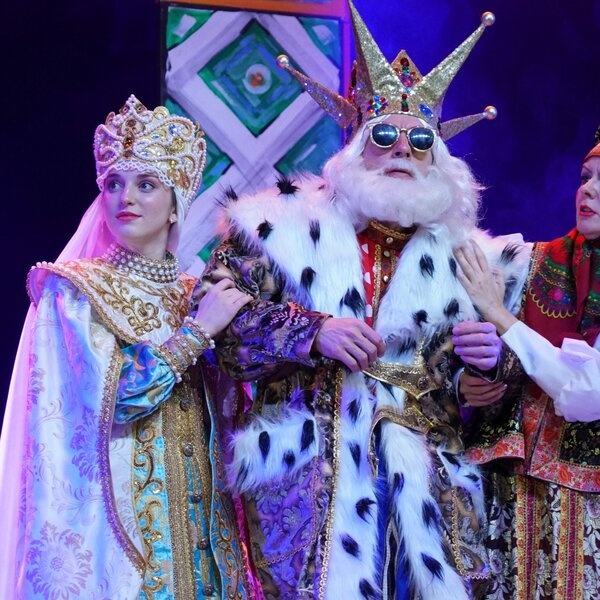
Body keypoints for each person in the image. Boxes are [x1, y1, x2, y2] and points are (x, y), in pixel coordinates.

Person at [194, 3, 531, 598]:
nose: (402, 150)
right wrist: (312, 331)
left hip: (429, 483)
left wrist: (490, 374)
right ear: (356, 146)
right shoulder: (276, 229)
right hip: (310, 475)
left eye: (420, 140)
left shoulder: (475, 260)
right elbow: (218, 323)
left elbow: (505, 381)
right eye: (384, 135)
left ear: (438, 158)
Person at [0, 95, 256, 599]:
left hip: (207, 536)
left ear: (177, 202)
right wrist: (197, 334)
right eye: (113, 183)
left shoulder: (198, 292)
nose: (125, 197)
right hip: (126, 543)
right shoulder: (74, 290)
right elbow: (111, 397)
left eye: (146, 184)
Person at [452, 129, 600, 599]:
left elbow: (585, 395)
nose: (589, 190)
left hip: (589, 497)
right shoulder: (523, 260)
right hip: (508, 487)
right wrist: (466, 379)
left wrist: (501, 316)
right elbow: (439, 331)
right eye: (585, 177)